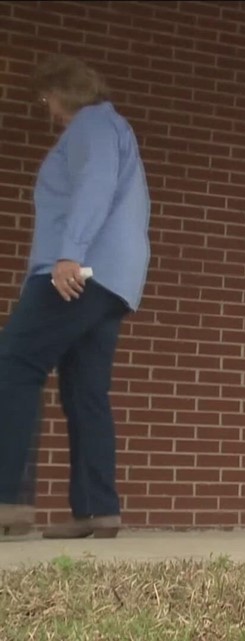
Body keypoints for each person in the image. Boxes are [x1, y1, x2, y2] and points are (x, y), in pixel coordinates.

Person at [0, 56, 151, 540]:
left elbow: (94, 186)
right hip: (111, 280)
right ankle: (96, 510)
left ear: (62, 94)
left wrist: (69, 255)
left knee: (14, 363)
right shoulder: (113, 129)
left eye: (47, 98)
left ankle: (9, 499)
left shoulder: (92, 125)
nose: (47, 108)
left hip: (79, 271)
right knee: (85, 390)